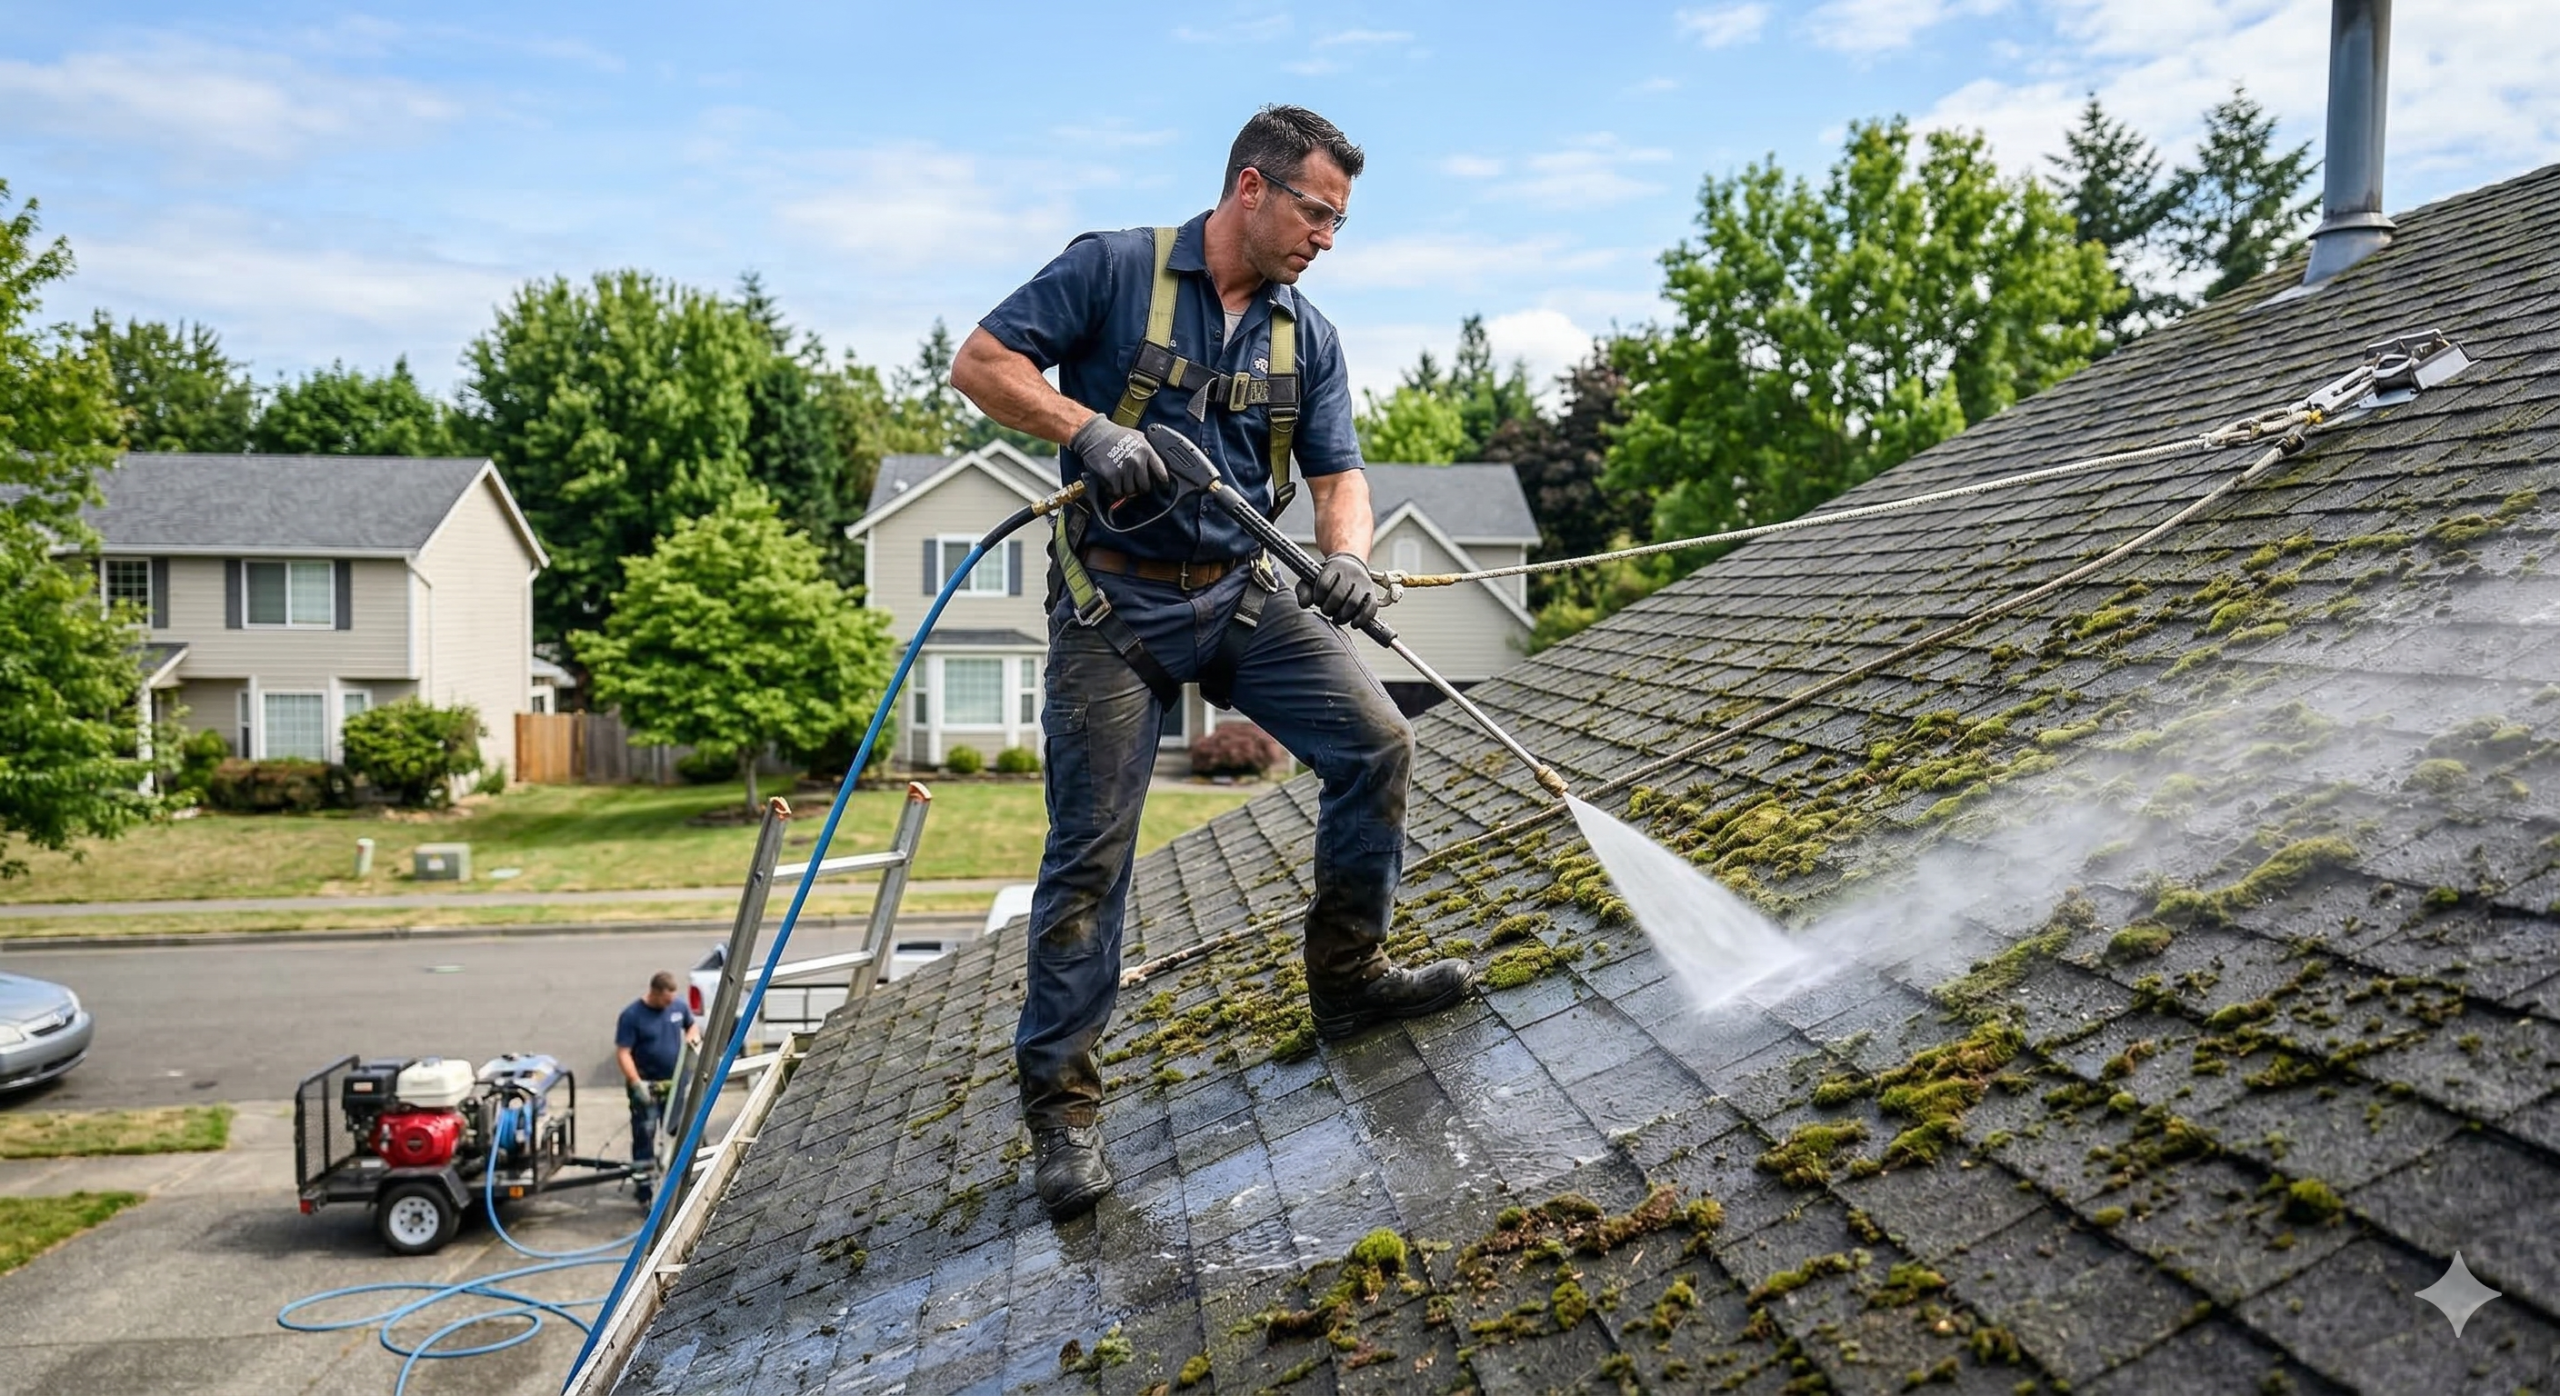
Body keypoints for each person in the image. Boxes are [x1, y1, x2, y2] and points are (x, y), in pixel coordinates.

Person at [950, 104, 1475, 1222]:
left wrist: (1345, 558)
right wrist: (1087, 429)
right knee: (1090, 854)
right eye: (1317, 213)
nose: (1327, 238)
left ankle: (1347, 982)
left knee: (1378, 744)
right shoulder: (1113, 270)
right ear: (1251, 187)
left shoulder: (1306, 336)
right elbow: (982, 363)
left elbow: (1339, 475)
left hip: (1240, 593)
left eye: (1339, 222)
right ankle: (1063, 1110)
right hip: (1114, 607)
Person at [614, 970, 699, 1206]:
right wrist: (635, 1082)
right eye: (666, 1000)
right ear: (655, 992)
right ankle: (645, 1191)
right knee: (645, 1134)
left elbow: (692, 1026)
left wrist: (692, 1039)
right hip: (647, 1087)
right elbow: (623, 1053)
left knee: (674, 1133)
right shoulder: (632, 1016)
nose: (670, 1004)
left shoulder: (677, 1007)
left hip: (674, 1085)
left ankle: (674, 1185)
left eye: (672, 999)